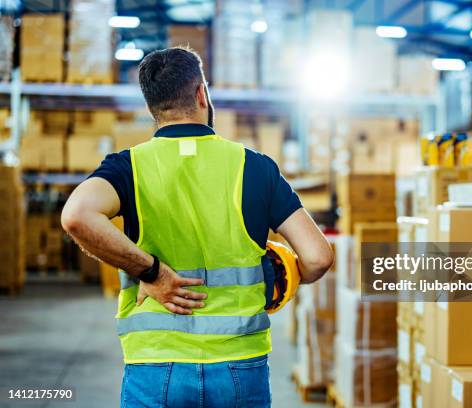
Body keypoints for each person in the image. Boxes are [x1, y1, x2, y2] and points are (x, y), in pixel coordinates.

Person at [61, 47, 334, 408]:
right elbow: (317, 257)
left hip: (156, 363)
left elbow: (77, 216)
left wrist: (151, 272)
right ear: (202, 94)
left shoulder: (128, 167)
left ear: (151, 108)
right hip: (239, 365)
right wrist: (283, 279)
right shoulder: (254, 167)